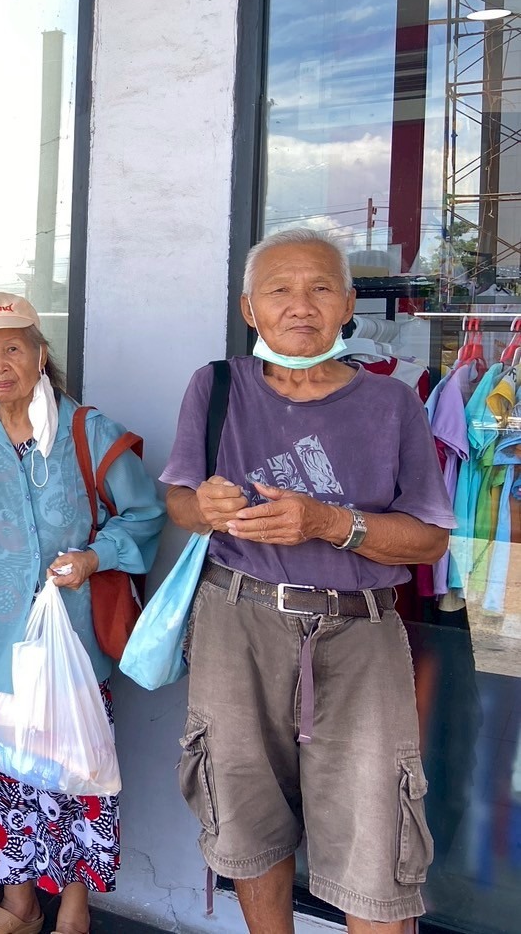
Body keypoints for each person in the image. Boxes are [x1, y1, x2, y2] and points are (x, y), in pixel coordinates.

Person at [161, 228, 453, 933]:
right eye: (279, 290)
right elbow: (178, 501)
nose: (300, 305)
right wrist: (204, 508)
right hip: (237, 620)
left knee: (375, 831)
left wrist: (327, 522)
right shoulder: (216, 386)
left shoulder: (392, 404)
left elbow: (429, 539)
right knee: (245, 814)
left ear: (348, 305)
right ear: (249, 308)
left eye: (321, 288)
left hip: (360, 631)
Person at [0, 292, 165, 934]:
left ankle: (74, 904)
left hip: (70, 642)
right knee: (2, 775)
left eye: (12, 348)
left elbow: (146, 514)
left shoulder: (88, 430)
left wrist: (94, 557)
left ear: (40, 354)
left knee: (73, 772)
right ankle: (19, 902)